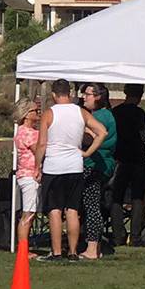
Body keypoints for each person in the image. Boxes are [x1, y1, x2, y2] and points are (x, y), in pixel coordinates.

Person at [35, 79, 108, 261]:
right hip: (75, 165)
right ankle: (74, 252)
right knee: (72, 210)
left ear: (53, 94)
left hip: (54, 166)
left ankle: (58, 251)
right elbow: (102, 132)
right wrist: (87, 152)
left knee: (55, 210)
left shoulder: (49, 113)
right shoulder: (80, 112)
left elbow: (42, 143)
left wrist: (37, 165)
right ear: (70, 93)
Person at [78, 83, 118, 259]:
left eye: (87, 94)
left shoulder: (102, 116)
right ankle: (93, 244)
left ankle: (93, 247)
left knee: (91, 204)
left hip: (96, 166)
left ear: (98, 97)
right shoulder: (100, 115)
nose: (84, 97)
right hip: (95, 164)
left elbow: (92, 137)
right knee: (91, 204)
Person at [110, 84, 145, 246]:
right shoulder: (139, 113)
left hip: (119, 157)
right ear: (140, 95)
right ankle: (135, 236)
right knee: (137, 197)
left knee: (116, 197)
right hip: (138, 158)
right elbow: (143, 135)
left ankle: (117, 234)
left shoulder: (116, 112)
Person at [13, 99, 42, 253]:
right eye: (34, 111)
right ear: (26, 115)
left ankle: (25, 246)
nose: (37, 113)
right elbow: (38, 150)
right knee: (28, 213)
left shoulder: (29, 132)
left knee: (31, 212)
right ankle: (23, 248)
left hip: (30, 175)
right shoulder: (27, 133)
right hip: (29, 175)